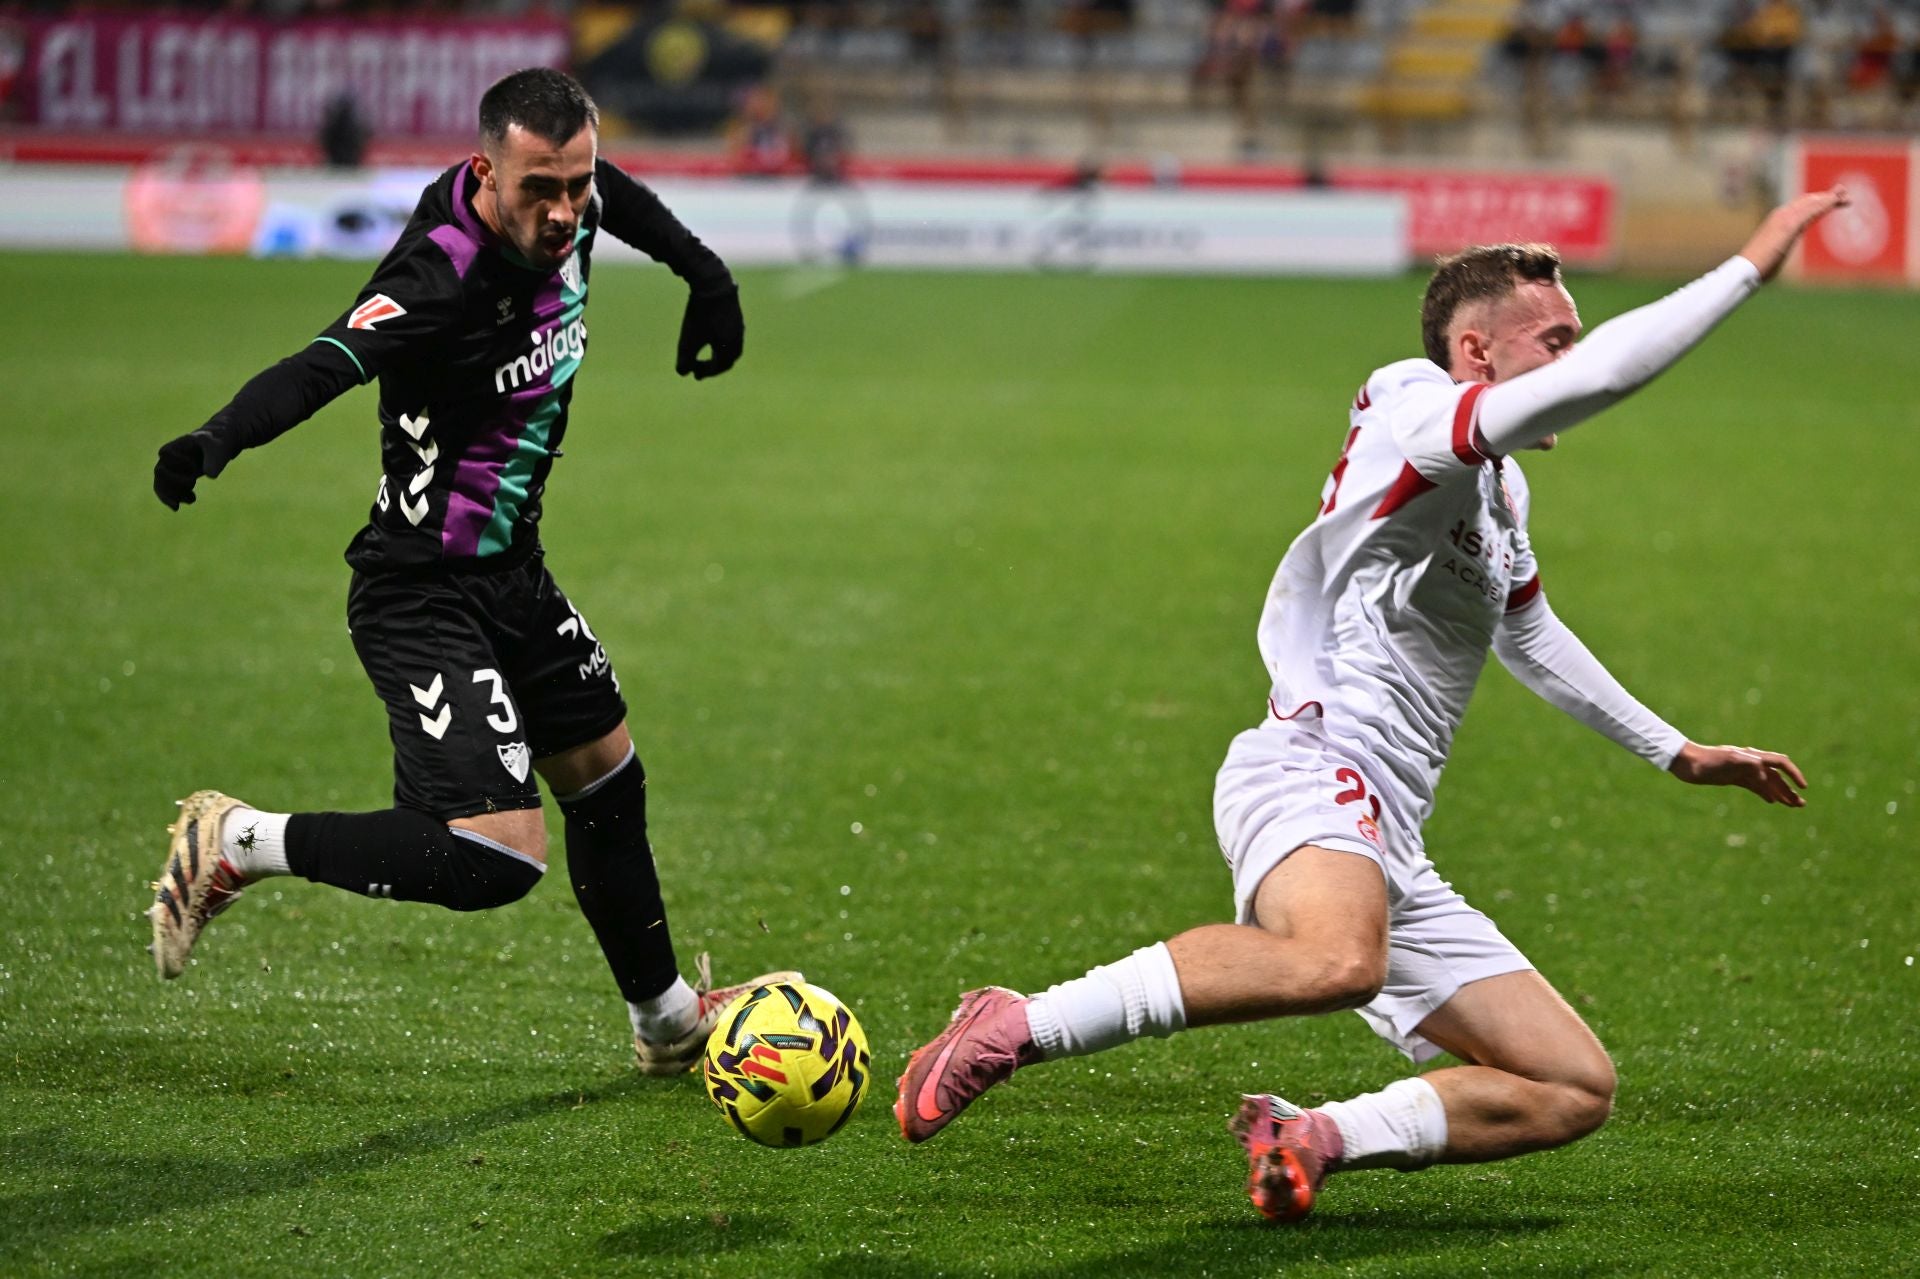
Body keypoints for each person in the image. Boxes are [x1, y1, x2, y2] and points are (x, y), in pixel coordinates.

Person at [895, 188, 1849, 1220]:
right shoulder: (1416, 409)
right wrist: (1752, 261)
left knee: (1572, 1084)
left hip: (1388, 831)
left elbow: (1527, 630)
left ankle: (1318, 1133)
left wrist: (1676, 751)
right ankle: (1019, 1023)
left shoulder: (1497, 491)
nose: (1573, 356)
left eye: (1575, 336)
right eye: (1554, 338)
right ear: (1475, 350)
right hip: (1312, 764)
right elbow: (1611, 377)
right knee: (1340, 961)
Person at [148, 67, 796, 1075]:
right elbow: (324, 361)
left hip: (511, 571)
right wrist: (215, 438)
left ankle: (667, 1021)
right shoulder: (435, 275)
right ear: (486, 171)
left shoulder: (572, 198)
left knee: (607, 776)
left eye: (576, 183)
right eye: (542, 187)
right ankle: (238, 841)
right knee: (493, 855)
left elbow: (612, 192)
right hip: (419, 588)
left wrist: (703, 272)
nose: (567, 210)